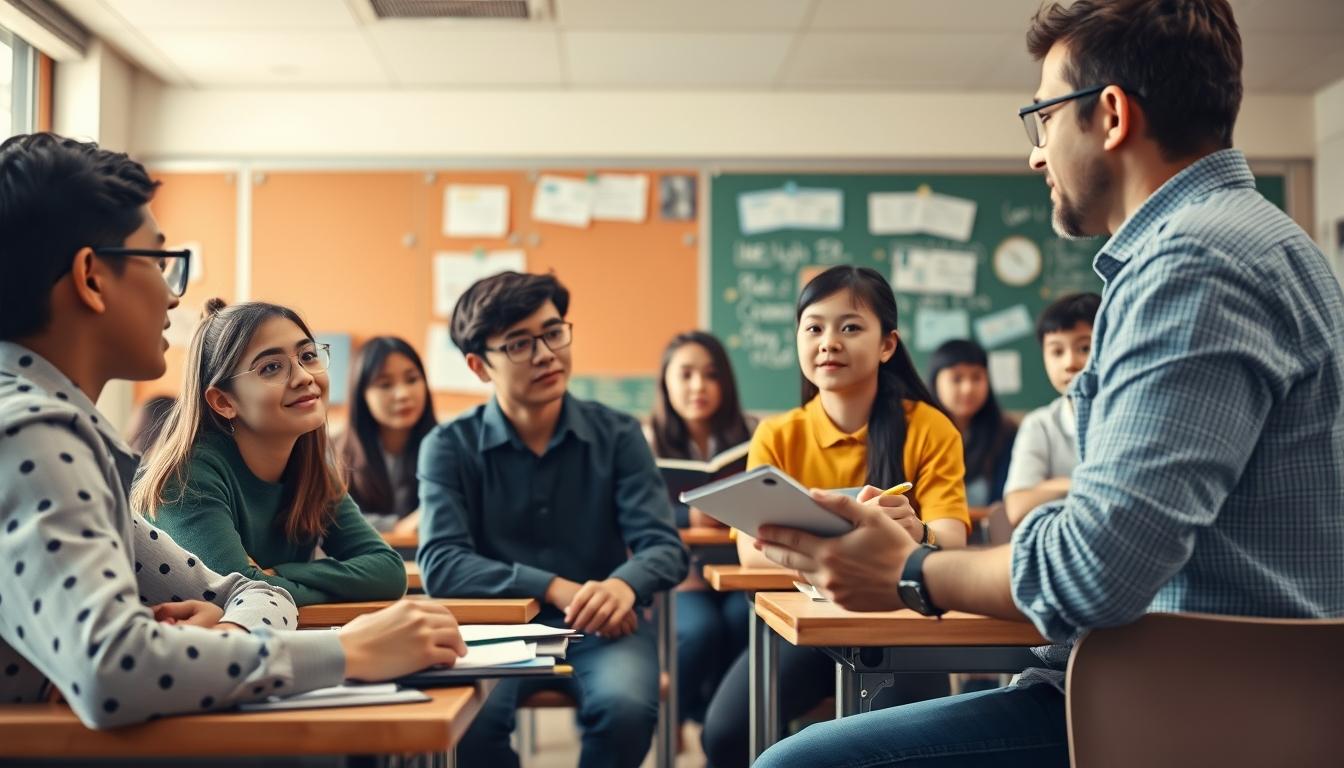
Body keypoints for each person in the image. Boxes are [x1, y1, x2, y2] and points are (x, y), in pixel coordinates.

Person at [751, 2, 1344, 766]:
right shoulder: (1259, 240)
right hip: (1211, 691)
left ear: (1110, 114)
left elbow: (1096, 568)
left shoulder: (1195, 263)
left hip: (1178, 709)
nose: (1036, 156)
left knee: (791, 763)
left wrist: (907, 570)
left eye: (1042, 116)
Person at [0, 132, 465, 728]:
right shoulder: (31, 434)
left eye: (306, 356)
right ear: (92, 278)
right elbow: (113, 670)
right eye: (159, 262)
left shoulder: (72, 437)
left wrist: (231, 626)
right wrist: (348, 652)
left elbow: (251, 593)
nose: (174, 296)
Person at [416, 270, 689, 768]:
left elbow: (664, 547)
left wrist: (623, 586)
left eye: (553, 332)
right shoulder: (448, 446)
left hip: (599, 625)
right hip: (487, 629)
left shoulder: (620, 434)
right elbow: (442, 563)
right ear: (479, 366)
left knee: (626, 708)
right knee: (468, 725)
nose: (545, 354)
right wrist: (555, 587)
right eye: (519, 344)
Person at [701, 265, 970, 768]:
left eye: (850, 327)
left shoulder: (930, 428)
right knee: (724, 735)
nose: (829, 342)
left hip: (903, 619)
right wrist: (861, 558)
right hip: (807, 626)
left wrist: (920, 532)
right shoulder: (777, 435)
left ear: (887, 344)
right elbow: (749, 554)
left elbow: (951, 539)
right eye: (814, 327)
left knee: (903, 749)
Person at [134, 300, 407, 606]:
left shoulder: (309, 468)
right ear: (223, 401)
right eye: (271, 367)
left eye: (308, 355)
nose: (304, 376)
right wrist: (309, 584)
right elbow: (237, 594)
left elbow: (390, 572)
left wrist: (278, 574)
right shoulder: (187, 478)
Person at [644, 330, 757, 732]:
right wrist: (687, 519)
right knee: (698, 631)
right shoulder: (645, 441)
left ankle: (723, 731)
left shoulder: (754, 435)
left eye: (711, 375)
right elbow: (631, 512)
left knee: (742, 623)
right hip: (679, 575)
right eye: (686, 374)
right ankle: (677, 718)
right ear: (666, 383)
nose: (699, 386)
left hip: (739, 570)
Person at [1003, 292, 1100, 526]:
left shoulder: (1128, 416)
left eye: (1085, 348)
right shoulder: (1040, 424)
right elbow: (1017, 507)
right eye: (1057, 351)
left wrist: (1050, 486)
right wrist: (1085, 483)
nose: (1070, 363)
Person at [338, 335, 437, 535]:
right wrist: (398, 528)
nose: (403, 394)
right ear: (361, 394)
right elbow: (330, 521)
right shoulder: (333, 454)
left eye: (412, 379)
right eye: (385, 384)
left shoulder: (448, 446)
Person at [927, 339, 1018, 511]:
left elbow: (1002, 504)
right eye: (956, 379)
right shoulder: (918, 432)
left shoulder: (1005, 432)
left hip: (989, 535)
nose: (968, 388)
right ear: (935, 382)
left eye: (977, 377)